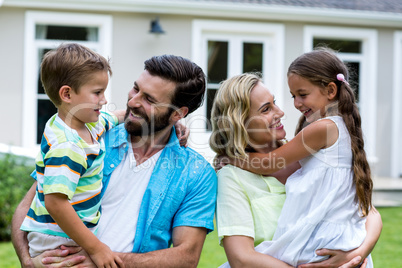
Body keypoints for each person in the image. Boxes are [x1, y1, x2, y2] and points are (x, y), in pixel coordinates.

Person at [12, 54, 217, 268]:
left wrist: (103, 261)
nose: (132, 101)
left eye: (149, 99)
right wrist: (28, 262)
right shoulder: (88, 136)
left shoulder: (197, 174)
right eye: (136, 89)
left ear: (178, 114)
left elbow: (186, 257)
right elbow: (30, 205)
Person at [210, 71, 381, 268]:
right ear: (239, 123)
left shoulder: (312, 152)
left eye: (274, 103)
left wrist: (357, 254)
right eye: (266, 109)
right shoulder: (232, 175)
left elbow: (369, 212)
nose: (280, 112)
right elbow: (241, 259)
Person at [19, 43, 126, 268]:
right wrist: (97, 248)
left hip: (65, 231)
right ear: (67, 93)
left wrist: (143, 113)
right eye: (97, 92)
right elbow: (56, 203)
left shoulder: (84, 123)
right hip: (57, 237)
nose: (104, 100)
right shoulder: (68, 146)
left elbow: (112, 117)